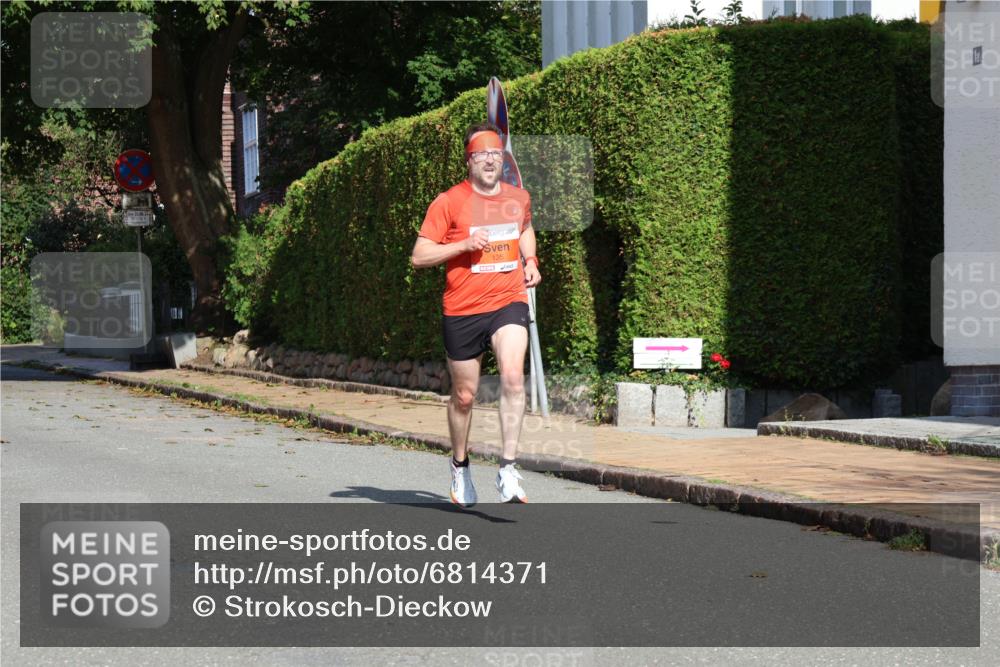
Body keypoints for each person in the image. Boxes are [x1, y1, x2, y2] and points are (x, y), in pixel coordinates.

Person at [410, 122, 542, 507]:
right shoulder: (449, 202)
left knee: (514, 378)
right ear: (469, 160)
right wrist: (464, 245)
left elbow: (525, 229)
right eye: (481, 153)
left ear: (503, 158)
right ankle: (460, 465)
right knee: (465, 395)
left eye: (495, 153)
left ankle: (508, 467)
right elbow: (419, 256)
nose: (489, 159)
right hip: (463, 309)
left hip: (508, 300)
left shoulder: (518, 196)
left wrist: (530, 259)